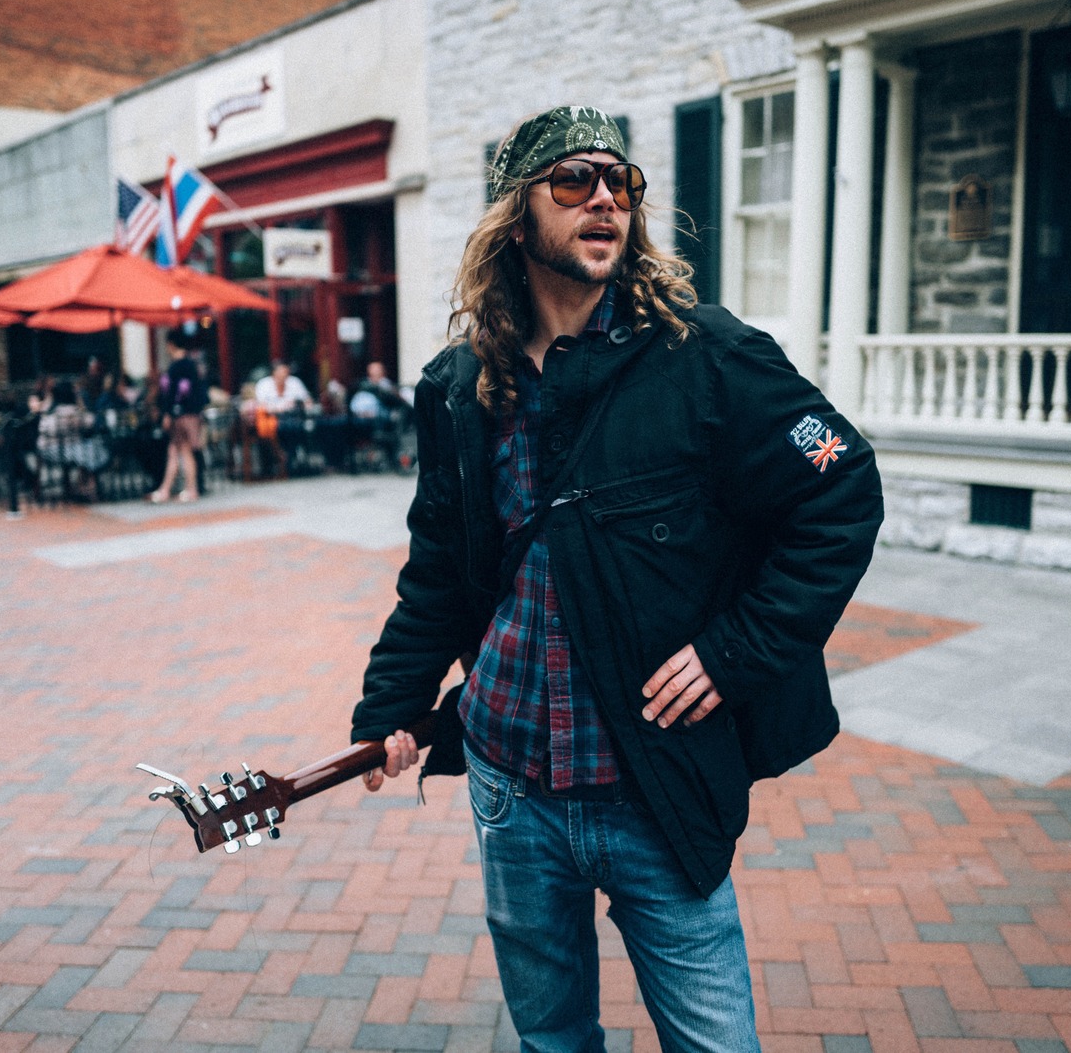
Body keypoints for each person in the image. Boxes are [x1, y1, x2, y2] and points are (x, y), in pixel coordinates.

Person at [352, 105, 884, 1051]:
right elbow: (440, 566)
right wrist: (391, 701)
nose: (605, 196)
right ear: (518, 217)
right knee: (553, 1040)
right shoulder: (456, 388)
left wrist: (735, 651)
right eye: (573, 181)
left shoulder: (709, 359)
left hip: (654, 781)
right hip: (510, 786)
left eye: (621, 182)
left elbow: (839, 487)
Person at [149, 339, 208, 503]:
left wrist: (168, 413)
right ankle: (166, 489)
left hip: (180, 415)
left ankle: (190, 489)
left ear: (171, 344)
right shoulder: (193, 365)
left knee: (183, 450)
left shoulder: (176, 367)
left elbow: (172, 393)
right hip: (193, 414)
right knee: (175, 451)